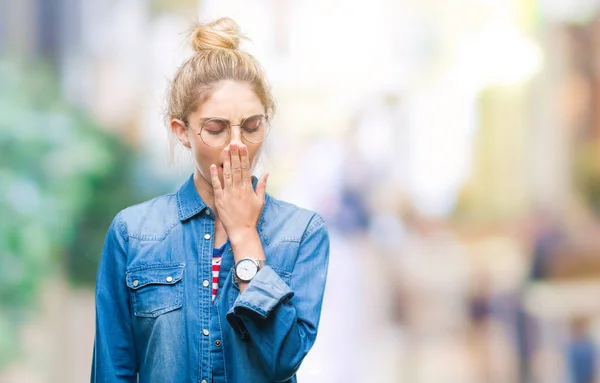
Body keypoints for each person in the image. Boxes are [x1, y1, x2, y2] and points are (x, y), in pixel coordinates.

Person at [91, 17, 330, 383]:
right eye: (216, 129)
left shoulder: (301, 233)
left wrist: (246, 236)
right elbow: (112, 371)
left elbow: (285, 359)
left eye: (252, 126)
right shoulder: (133, 232)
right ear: (181, 131)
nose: (237, 144)